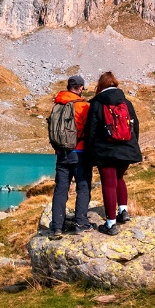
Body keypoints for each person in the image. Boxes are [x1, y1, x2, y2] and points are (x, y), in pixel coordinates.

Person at [85, 71, 142, 236]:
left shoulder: (97, 103)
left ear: (101, 85)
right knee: (119, 178)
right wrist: (132, 145)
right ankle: (123, 211)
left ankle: (110, 224)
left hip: (106, 150)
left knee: (108, 183)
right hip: (127, 148)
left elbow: (91, 130)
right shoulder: (126, 102)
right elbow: (135, 125)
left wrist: (90, 152)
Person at [50, 75, 93, 239]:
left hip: (61, 153)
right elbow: (89, 130)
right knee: (83, 187)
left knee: (60, 190)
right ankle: (80, 223)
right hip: (79, 152)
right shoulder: (82, 106)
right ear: (81, 88)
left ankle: (57, 228)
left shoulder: (58, 104)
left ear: (68, 87)